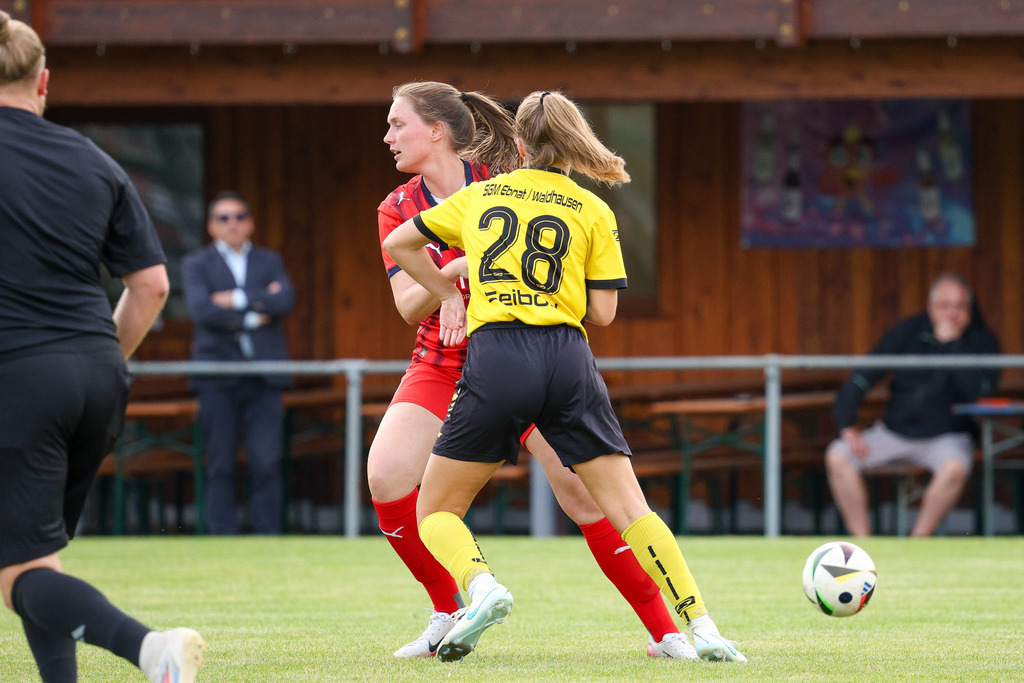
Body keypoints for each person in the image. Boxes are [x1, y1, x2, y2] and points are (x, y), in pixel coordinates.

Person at [382, 89, 746, 664]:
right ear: (573, 147)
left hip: (497, 352)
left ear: (519, 144)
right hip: (567, 357)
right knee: (632, 510)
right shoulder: (594, 209)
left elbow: (400, 243)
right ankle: (703, 627)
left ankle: (481, 587)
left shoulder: (482, 195)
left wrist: (453, 280)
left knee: (435, 510)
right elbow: (602, 313)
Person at [0, 11, 205, 682]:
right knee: (35, 560)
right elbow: (149, 286)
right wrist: (104, 360)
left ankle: (150, 648)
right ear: (44, 81)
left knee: (19, 573)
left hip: (18, 378)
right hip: (95, 373)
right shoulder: (94, 160)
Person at [825, 272, 1000, 537]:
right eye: (944, 306)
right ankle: (862, 544)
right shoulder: (909, 331)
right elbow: (865, 374)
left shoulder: (982, 339)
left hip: (947, 437)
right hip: (894, 432)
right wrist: (847, 424)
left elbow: (977, 394)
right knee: (837, 455)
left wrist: (952, 344)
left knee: (955, 467)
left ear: (969, 309)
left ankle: (917, 544)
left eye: (960, 306)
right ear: (931, 307)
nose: (952, 313)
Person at [182, 191, 295, 535]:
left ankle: (269, 539)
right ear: (211, 226)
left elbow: (285, 300)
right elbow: (202, 310)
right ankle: (222, 539)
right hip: (217, 374)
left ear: (249, 223)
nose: (232, 224)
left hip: (264, 375)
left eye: (238, 216)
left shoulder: (269, 260)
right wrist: (256, 312)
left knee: (266, 461)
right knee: (220, 464)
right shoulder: (196, 264)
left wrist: (237, 300)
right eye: (223, 218)